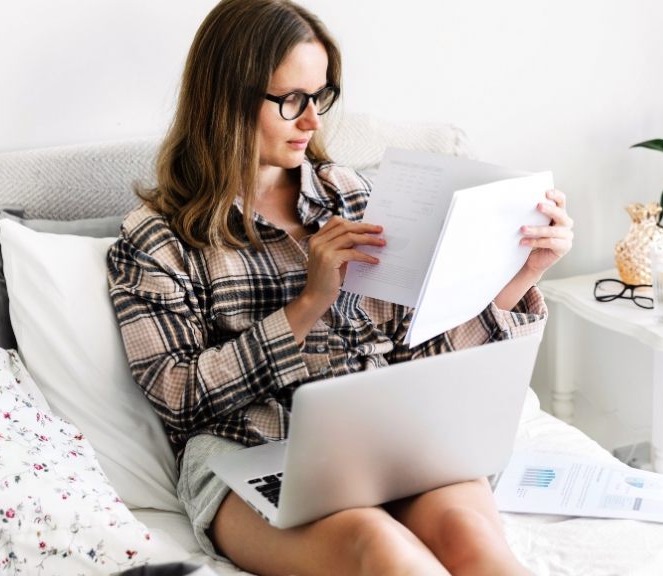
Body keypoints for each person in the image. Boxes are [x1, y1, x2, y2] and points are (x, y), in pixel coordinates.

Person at [107, 0, 573, 574]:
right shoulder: (155, 238)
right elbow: (178, 396)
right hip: (245, 452)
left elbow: (416, 351)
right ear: (225, 98)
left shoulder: (353, 194)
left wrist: (524, 274)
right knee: (375, 547)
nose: (313, 122)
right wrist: (307, 306)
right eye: (291, 101)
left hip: (385, 434)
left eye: (319, 97)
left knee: (468, 535)